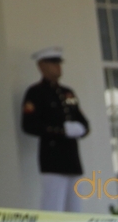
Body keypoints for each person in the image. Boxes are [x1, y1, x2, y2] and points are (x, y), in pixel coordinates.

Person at [21, 46, 88, 212]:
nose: (58, 67)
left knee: (75, 211)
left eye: (58, 63)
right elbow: (29, 125)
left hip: (72, 159)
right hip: (52, 159)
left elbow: (82, 121)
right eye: (53, 63)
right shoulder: (35, 93)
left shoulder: (68, 93)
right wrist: (61, 131)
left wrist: (81, 128)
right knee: (53, 209)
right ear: (41, 66)